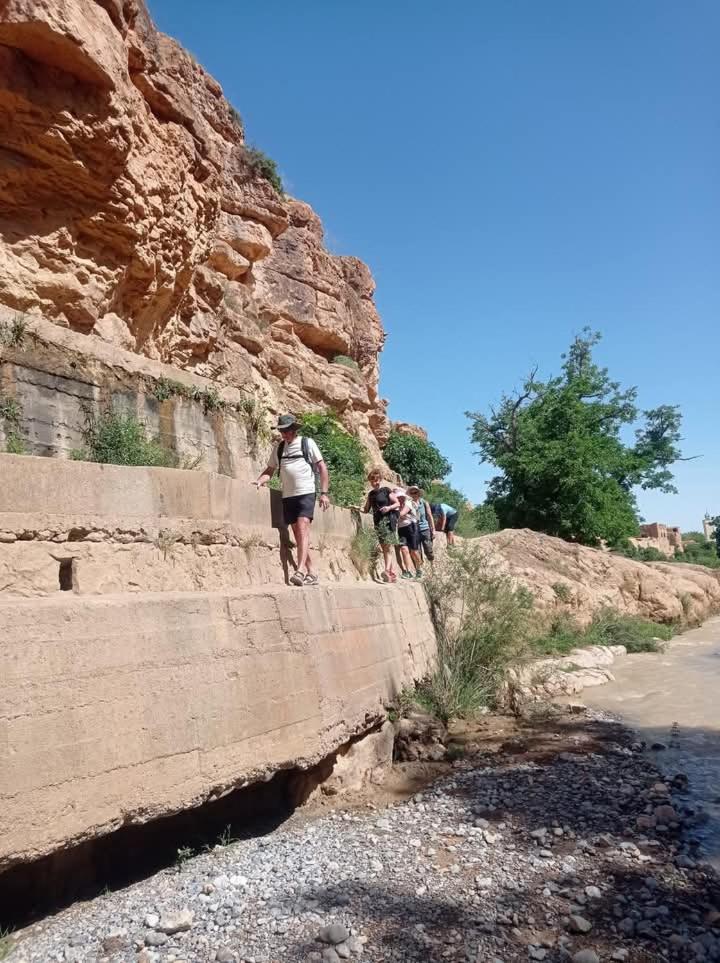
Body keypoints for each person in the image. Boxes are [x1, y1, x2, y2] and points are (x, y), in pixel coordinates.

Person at [254, 414, 329, 586]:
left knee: (302, 527)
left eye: (287, 431)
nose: (284, 434)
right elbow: (270, 470)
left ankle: (299, 571)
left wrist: (324, 493)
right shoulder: (279, 448)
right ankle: (312, 572)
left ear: (294, 430)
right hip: (288, 495)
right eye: (282, 431)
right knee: (298, 533)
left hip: (306, 492)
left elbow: (322, 467)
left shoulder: (307, 443)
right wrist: (259, 480)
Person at [361, 468, 400, 582]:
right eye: (372, 480)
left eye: (377, 480)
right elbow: (366, 509)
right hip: (378, 522)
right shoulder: (371, 494)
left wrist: (388, 507)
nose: (375, 482)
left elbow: (397, 503)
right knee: (384, 547)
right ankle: (391, 575)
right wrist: (355, 508)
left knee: (387, 546)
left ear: (380, 480)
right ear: (370, 481)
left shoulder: (386, 490)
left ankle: (386, 571)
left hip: (388, 521)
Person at [394, 488, 423, 579]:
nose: (400, 498)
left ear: (404, 497)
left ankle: (419, 569)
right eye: (398, 497)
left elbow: (401, 513)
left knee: (414, 551)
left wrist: (392, 513)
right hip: (401, 529)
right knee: (404, 549)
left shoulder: (408, 503)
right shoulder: (396, 505)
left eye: (401, 497)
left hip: (412, 527)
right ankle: (408, 572)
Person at [407, 485, 435, 562]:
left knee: (428, 549)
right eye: (411, 493)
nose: (414, 494)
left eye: (415, 492)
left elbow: (429, 516)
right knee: (417, 550)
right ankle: (420, 566)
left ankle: (431, 562)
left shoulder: (424, 503)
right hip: (414, 529)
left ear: (418, 493)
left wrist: (433, 530)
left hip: (425, 528)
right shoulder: (409, 504)